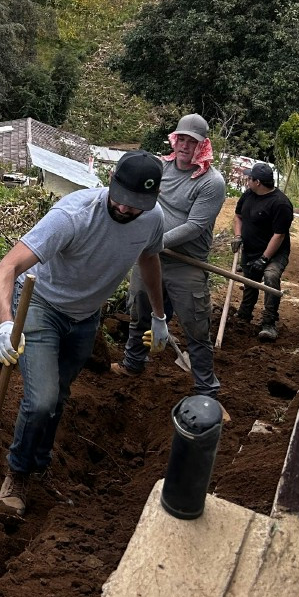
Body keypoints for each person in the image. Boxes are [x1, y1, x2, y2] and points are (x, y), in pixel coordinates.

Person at [0, 150, 169, 517]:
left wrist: (159, 316)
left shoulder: (153, 219)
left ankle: (39, 464)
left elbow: (149, 259)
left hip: (86, 317)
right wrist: (6, 322)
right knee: (41, 400)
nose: (125, 208)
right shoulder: (73, 214)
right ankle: (17, 473)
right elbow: (6, 268)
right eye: (121, 197)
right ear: (111, 182)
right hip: (40, 305)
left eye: (136, 203)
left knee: (60, 396)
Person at [111, 114, 228, 409]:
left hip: (187, 263)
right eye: (181, 139)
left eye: (192, 142)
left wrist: (154, 242)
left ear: (203, 146)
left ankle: (206, 391)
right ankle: (133, 363)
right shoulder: (160, 169)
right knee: (139, 309)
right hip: (150, 256)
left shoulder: (211, 182)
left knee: (195, 326)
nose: (185, 146)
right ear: (174, 140)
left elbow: (195, 226)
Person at [233, 162, 294, 341]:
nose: (247, 181)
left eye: (249, 178)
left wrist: (264, 258)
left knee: (270, 277)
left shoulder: (281, 204)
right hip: (250, 249)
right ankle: (244, 315)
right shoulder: (248, 194)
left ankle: (269, 323)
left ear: (258, 182)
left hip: (275, 253)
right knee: (250, 281)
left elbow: (279, 235)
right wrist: (237, 236)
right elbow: (238, 216)